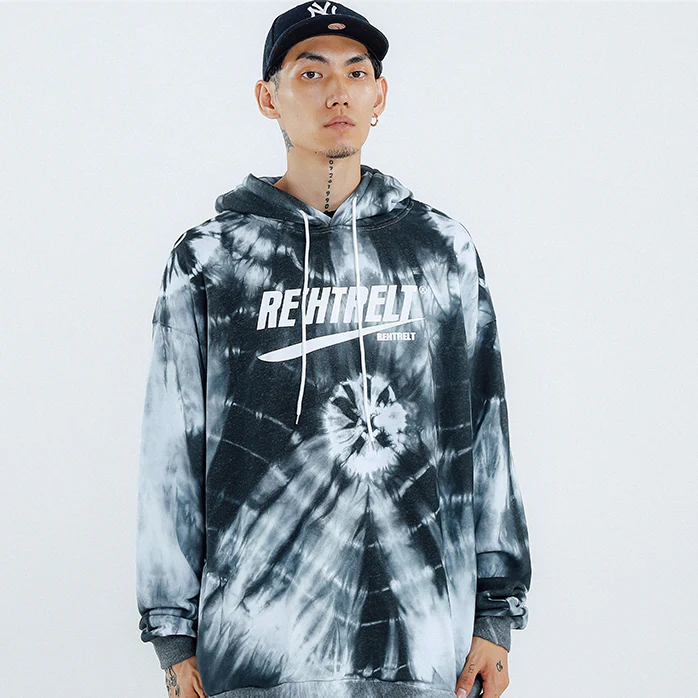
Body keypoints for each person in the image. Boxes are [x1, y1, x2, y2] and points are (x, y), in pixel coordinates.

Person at [135, 3, 532, 698]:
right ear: (268, 98)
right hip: (256, 655)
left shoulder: (442, 252)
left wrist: (495, 616)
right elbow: (172, 449)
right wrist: (173, 633)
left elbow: (483, 437)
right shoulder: (212, 260)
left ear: (381, 95)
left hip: (422, 650)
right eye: (311, 72)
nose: (337, 92)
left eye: (356, 72)